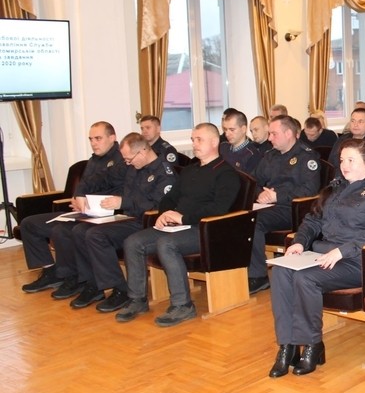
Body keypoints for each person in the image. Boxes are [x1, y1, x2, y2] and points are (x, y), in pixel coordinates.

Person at [268, 139, 365, 377]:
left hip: (356, 260)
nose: (344, 165)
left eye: (351, 160)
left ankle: (312, 344)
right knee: (280, 272)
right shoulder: (335, 188)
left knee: (306, 279)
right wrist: (299, 242)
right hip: (323, 255)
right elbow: (312, 220)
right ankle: (287, 346)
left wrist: (343, 251)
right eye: (341, 160)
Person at [119, 123, 240, 326]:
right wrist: (164, 213)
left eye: (199, 139)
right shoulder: (189, 170)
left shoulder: (226, 173)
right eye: (193, 140)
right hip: (178, 226)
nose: (194, 144)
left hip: (206, 229)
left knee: (167, 244)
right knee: (133, 242)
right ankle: (137, 299)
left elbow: (219, 209)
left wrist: (183, 218)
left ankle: (183, 305)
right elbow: (169, 198)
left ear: (214, 142)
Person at [20, 121, 127, 299]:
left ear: (112, 138)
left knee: (61, 230)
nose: (93, 143)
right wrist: (78, 198)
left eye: (98, 138)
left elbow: (114, 190)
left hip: (105, 214)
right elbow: (84, 184)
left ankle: (75, 278)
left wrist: (85, 199)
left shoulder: (122, 159)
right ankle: (52, 272)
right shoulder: (93, 160)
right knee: (29, 224)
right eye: (91, 139)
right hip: (83, 212)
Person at [69, 132, 175, 311]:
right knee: (79, 231)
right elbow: (103, 177)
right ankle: (93, 285)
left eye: (129, 159)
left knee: (96, 235)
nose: (127, 163)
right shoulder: (131, 166)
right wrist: (80, 192)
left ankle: (120, 290)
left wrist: (123, 202)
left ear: (142, 152)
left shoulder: (164, 173)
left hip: (147, 223)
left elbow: (159, 206)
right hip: (127, 218)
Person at [247, 116, 322, 294]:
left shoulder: (307, 157)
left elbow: (310, 191)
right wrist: (260, 193)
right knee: (241, 218)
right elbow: (251, 181)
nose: (270, 138)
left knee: (252, 222)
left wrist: (277, 196)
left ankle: (258, 276)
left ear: (288, 133)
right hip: (269, 207)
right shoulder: (270, 156)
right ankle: (246, 269)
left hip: (293, 210)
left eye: (274, 134)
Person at [220, 109, 263, 174]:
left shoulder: (252, 155)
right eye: (225, 129)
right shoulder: (223, 147)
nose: (227, 134)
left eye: (232, 130)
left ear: (243, 129)